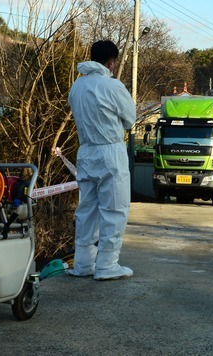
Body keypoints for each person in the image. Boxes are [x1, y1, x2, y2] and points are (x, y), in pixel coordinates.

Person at [67, 40, 137, 280]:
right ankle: (107, 265)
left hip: (86, 151)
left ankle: (83, 263)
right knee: (114, 209)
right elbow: (130, 119)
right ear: (111, 62)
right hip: (110, 151)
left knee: (86, 210)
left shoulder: (76, 86)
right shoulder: (113, 86)